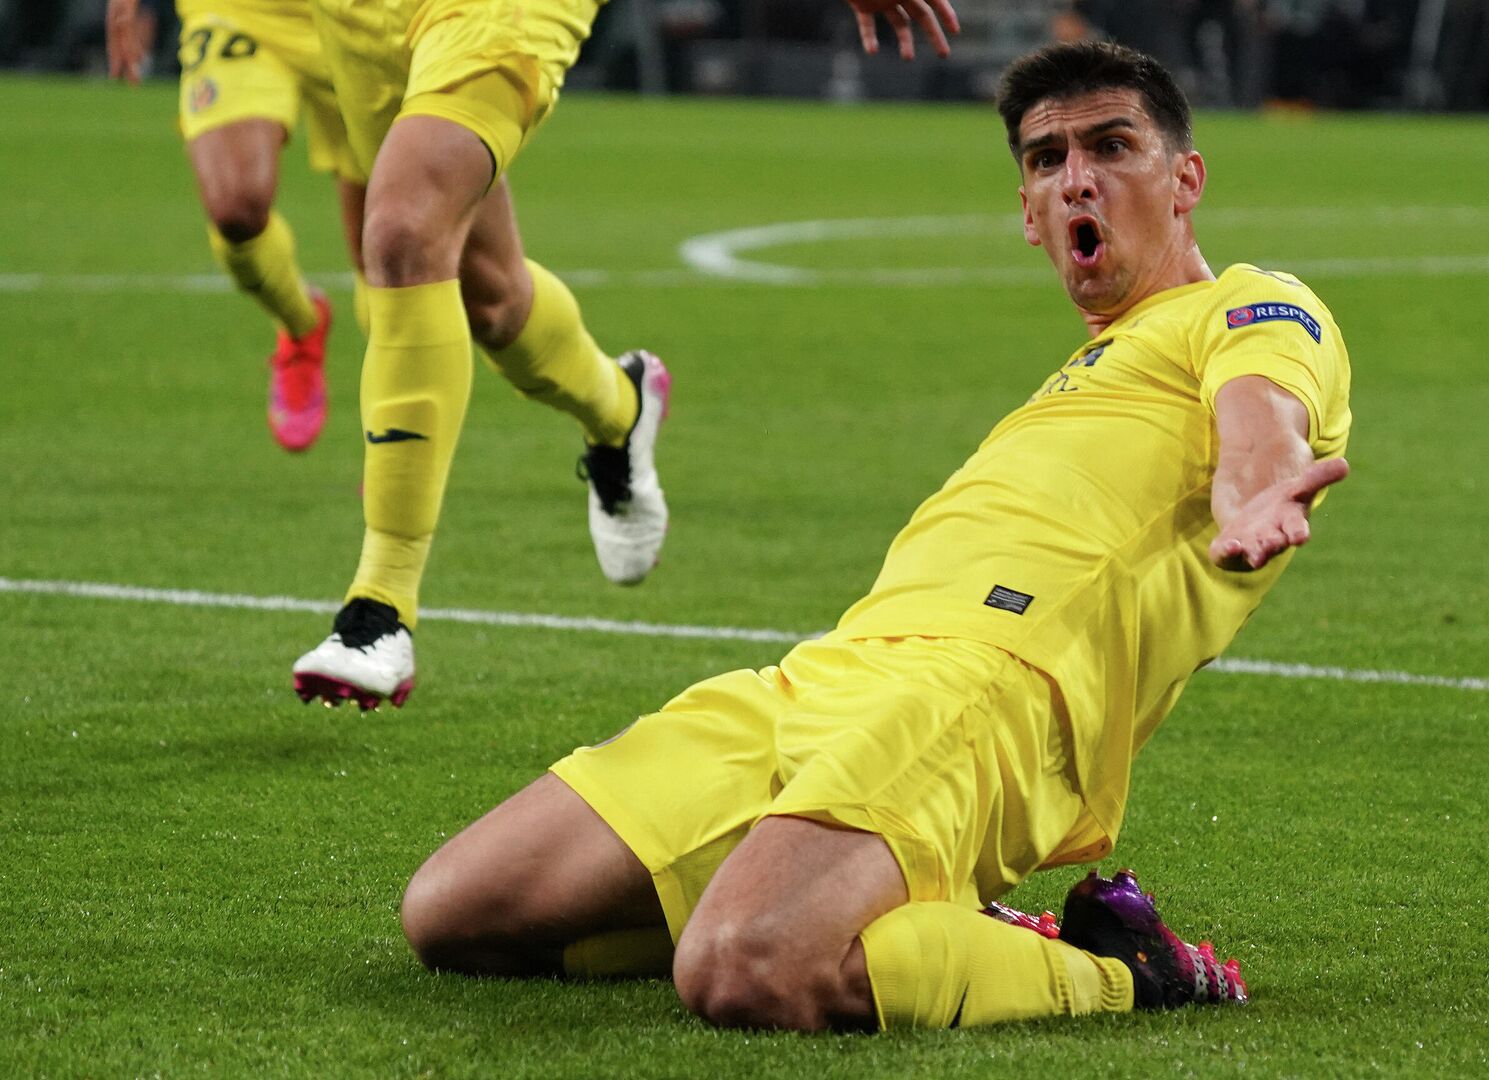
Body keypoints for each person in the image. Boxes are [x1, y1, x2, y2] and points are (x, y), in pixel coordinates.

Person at [400, 38, 1352, 1031]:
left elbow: (1261, 417)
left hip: (987, 691)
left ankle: (1124, 969)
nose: (1076, 179)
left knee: (744, 970)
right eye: (1045, 158)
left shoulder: (1248, 306)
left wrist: (1255, 495)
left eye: (1112, 147)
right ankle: (867, 896)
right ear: (1027, 215)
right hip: (829, 674)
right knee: (457, 914)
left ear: (1185, 177)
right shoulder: (1095, 367)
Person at [286, 0, 965, 711]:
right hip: (357, 18)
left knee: (401, 231)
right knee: (488, 299)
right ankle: (621, 403)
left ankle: (378, 608)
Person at [108, 0, 368, 453]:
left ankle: (397, 454)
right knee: (235, 206)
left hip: (368, 21)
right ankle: (301, 323)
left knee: (392, 252)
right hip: (240, 13)